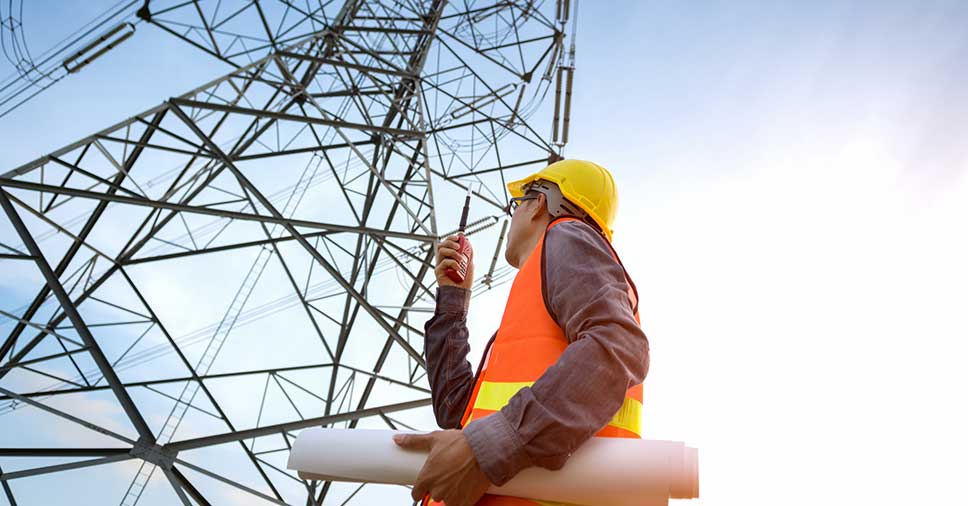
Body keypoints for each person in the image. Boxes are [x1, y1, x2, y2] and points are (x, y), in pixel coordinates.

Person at [394, 159, 650, 506]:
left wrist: (492, 445)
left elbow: (619, 346)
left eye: (516, 204)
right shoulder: (537, 303)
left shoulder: (566, 234)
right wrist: (454, 302)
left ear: (538, 203)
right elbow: (457, 412)